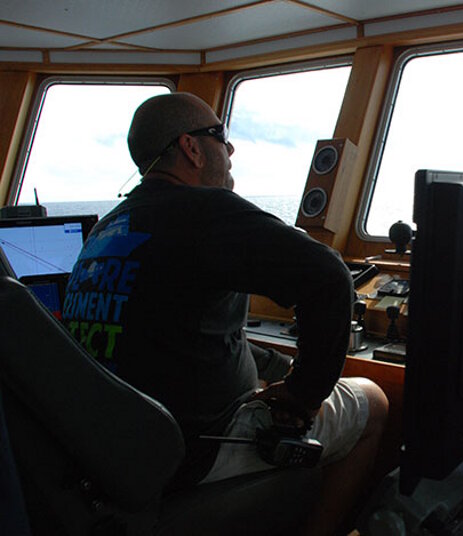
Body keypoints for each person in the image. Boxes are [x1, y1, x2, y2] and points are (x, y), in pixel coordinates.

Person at [62, 92, 388, 535]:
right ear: (191, 149)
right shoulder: (206, 211)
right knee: (373, 399)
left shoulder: (106, 229)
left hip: (111, 451)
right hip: (194, 449)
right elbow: (330, 277)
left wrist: (283, 374)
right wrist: (303, 395)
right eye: (220, 136)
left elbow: (166, 332)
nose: (230, 150)